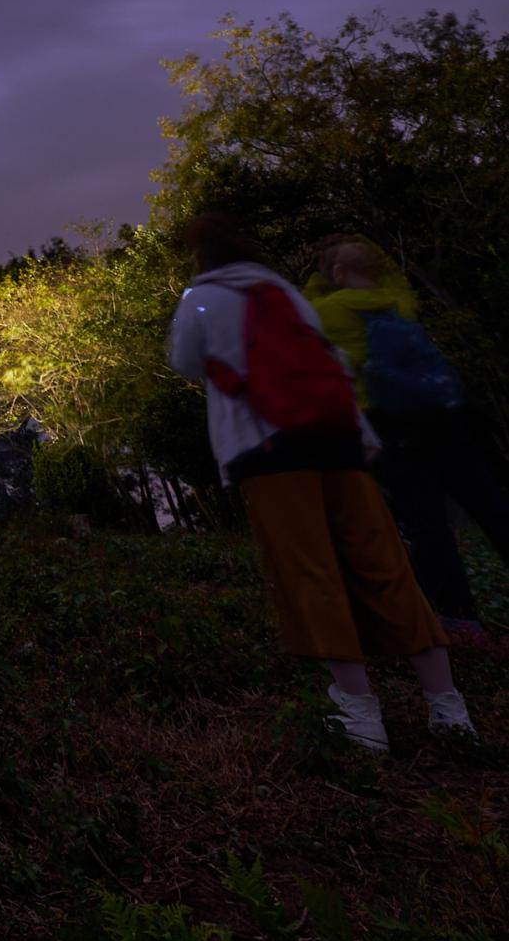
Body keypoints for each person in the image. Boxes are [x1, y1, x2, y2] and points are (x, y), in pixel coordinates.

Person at [167, 211, 473, 750]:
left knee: (310, 571)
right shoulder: (285, 290)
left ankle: (361, 717)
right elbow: (328, 358)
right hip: (339, 442)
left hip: (268, 450)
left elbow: (184, 360)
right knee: (385, 563)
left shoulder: (201, 299)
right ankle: (450, 710)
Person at [306, 237, 509, 644]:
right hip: (444, 416)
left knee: (427, 522)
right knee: (490, 505)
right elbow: (396, 280)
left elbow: (305, 316)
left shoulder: (329, 311)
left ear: (338, 274)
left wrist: (322, 278)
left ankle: (460, 620)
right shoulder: (400, 301)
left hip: (389, 423)